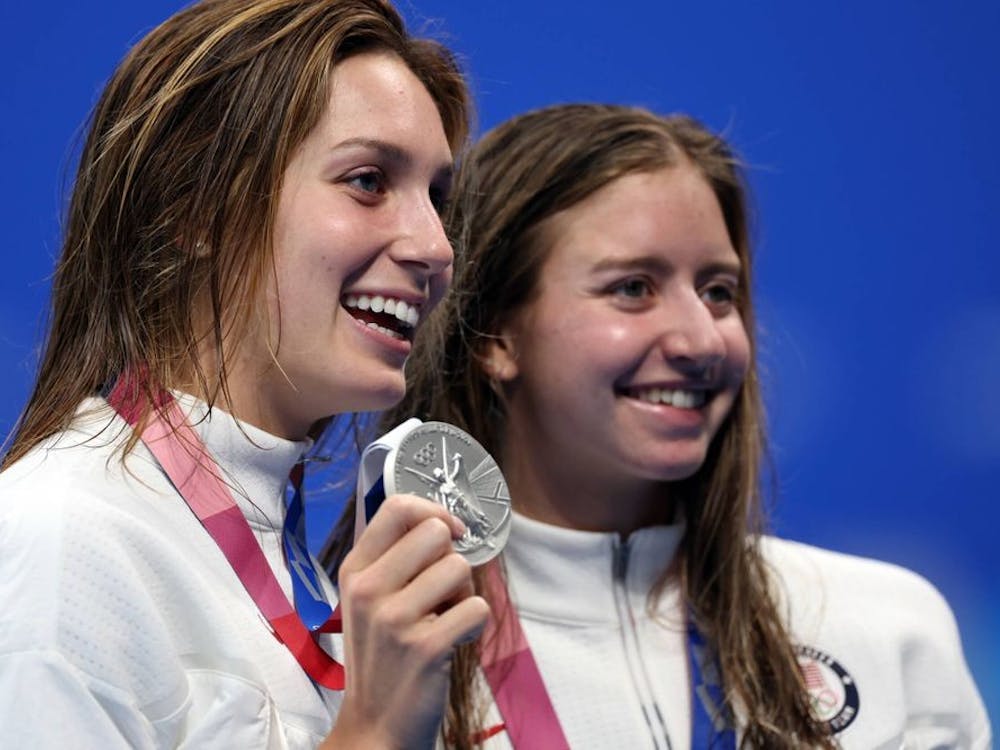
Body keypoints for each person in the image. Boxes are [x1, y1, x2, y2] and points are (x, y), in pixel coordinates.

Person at [323, 104, 993, 748]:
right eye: (633, 288)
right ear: (494, 333)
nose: (702, 339)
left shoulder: (890, 627)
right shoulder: (370, 643)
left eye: (719, 292)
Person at [0, 0, 490, 747]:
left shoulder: (305, 579)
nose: (435, 246)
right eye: (367, 180)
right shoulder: (59, 539)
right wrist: (376, 733)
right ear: (197, 205)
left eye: (438, 200)